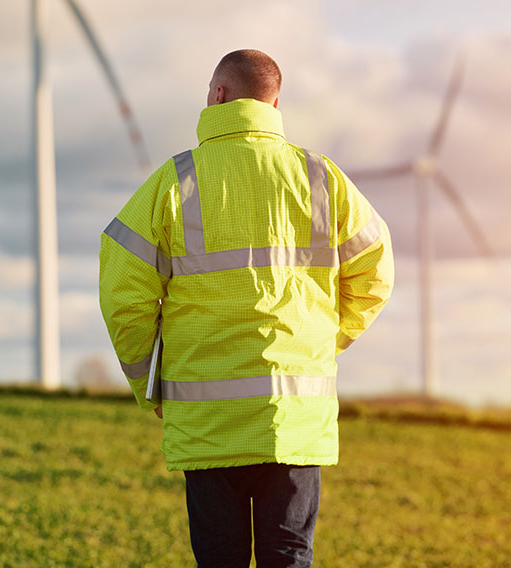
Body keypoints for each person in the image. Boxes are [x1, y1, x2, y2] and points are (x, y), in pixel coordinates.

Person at [99, 49, 394, 567]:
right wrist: (327, 340)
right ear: (275, 101)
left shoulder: (174, 182)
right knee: (288, 556)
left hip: (208, 421)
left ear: (218, 95)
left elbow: (124, 291)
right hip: (296, 421)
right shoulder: (322, 178)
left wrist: (153, 382)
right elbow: (376, 273)